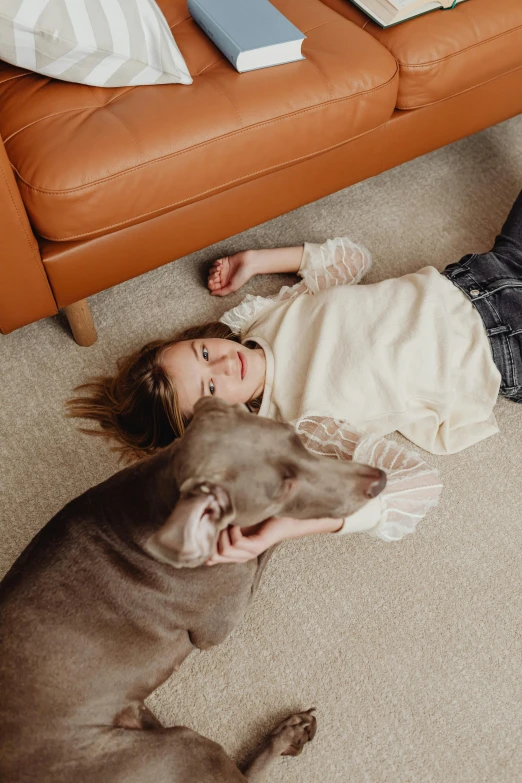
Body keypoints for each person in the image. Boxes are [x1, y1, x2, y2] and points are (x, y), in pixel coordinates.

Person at [68, 190, 522, 565]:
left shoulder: (261, 319)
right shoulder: (303, 428)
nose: (224, 363)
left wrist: (257, 260)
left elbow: (351, 259)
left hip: (479, 273)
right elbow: (417, 486)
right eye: (210, 387)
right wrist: (294, 525)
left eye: (203, 352)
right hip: (500, 348)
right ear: (217, 422)